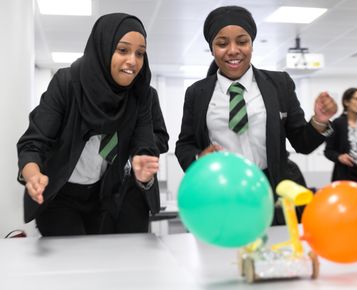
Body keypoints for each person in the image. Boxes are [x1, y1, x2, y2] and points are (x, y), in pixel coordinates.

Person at [175, 5, 337, 225]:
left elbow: (302, 142)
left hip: (272, 189)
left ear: (252, 44)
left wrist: (319, 120)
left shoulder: (279, 84)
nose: (233, 50)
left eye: (242, 41)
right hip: (222, 192)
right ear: (212, 49)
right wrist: (199, 159)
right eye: (222, 44)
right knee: (224, 256)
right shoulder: (197, 93)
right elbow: (185, 144)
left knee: (274, 254)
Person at [17, 13, 160, 236]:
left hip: (104, 195)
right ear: (103, 48)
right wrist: (33, 174)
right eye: (123, 50)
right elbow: (33, 143)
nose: (133, 61)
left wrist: (142, 164)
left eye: (140, 53)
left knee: (105, 260)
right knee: (73, 259)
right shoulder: (67, 83)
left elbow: (144, 142)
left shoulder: (140, 94)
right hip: (60, 195)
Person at [114, 87, 169, 233]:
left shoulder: (148, 94)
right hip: (98, 186)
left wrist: (140, 141)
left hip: (135, 188)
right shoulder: (95, 93)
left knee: (136, 249)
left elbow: (163, 140)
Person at [324, 88, 357, 190]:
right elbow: (328, 151)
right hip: (346, 175)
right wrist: (339, 157)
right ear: (346, 102)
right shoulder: (337, 123)